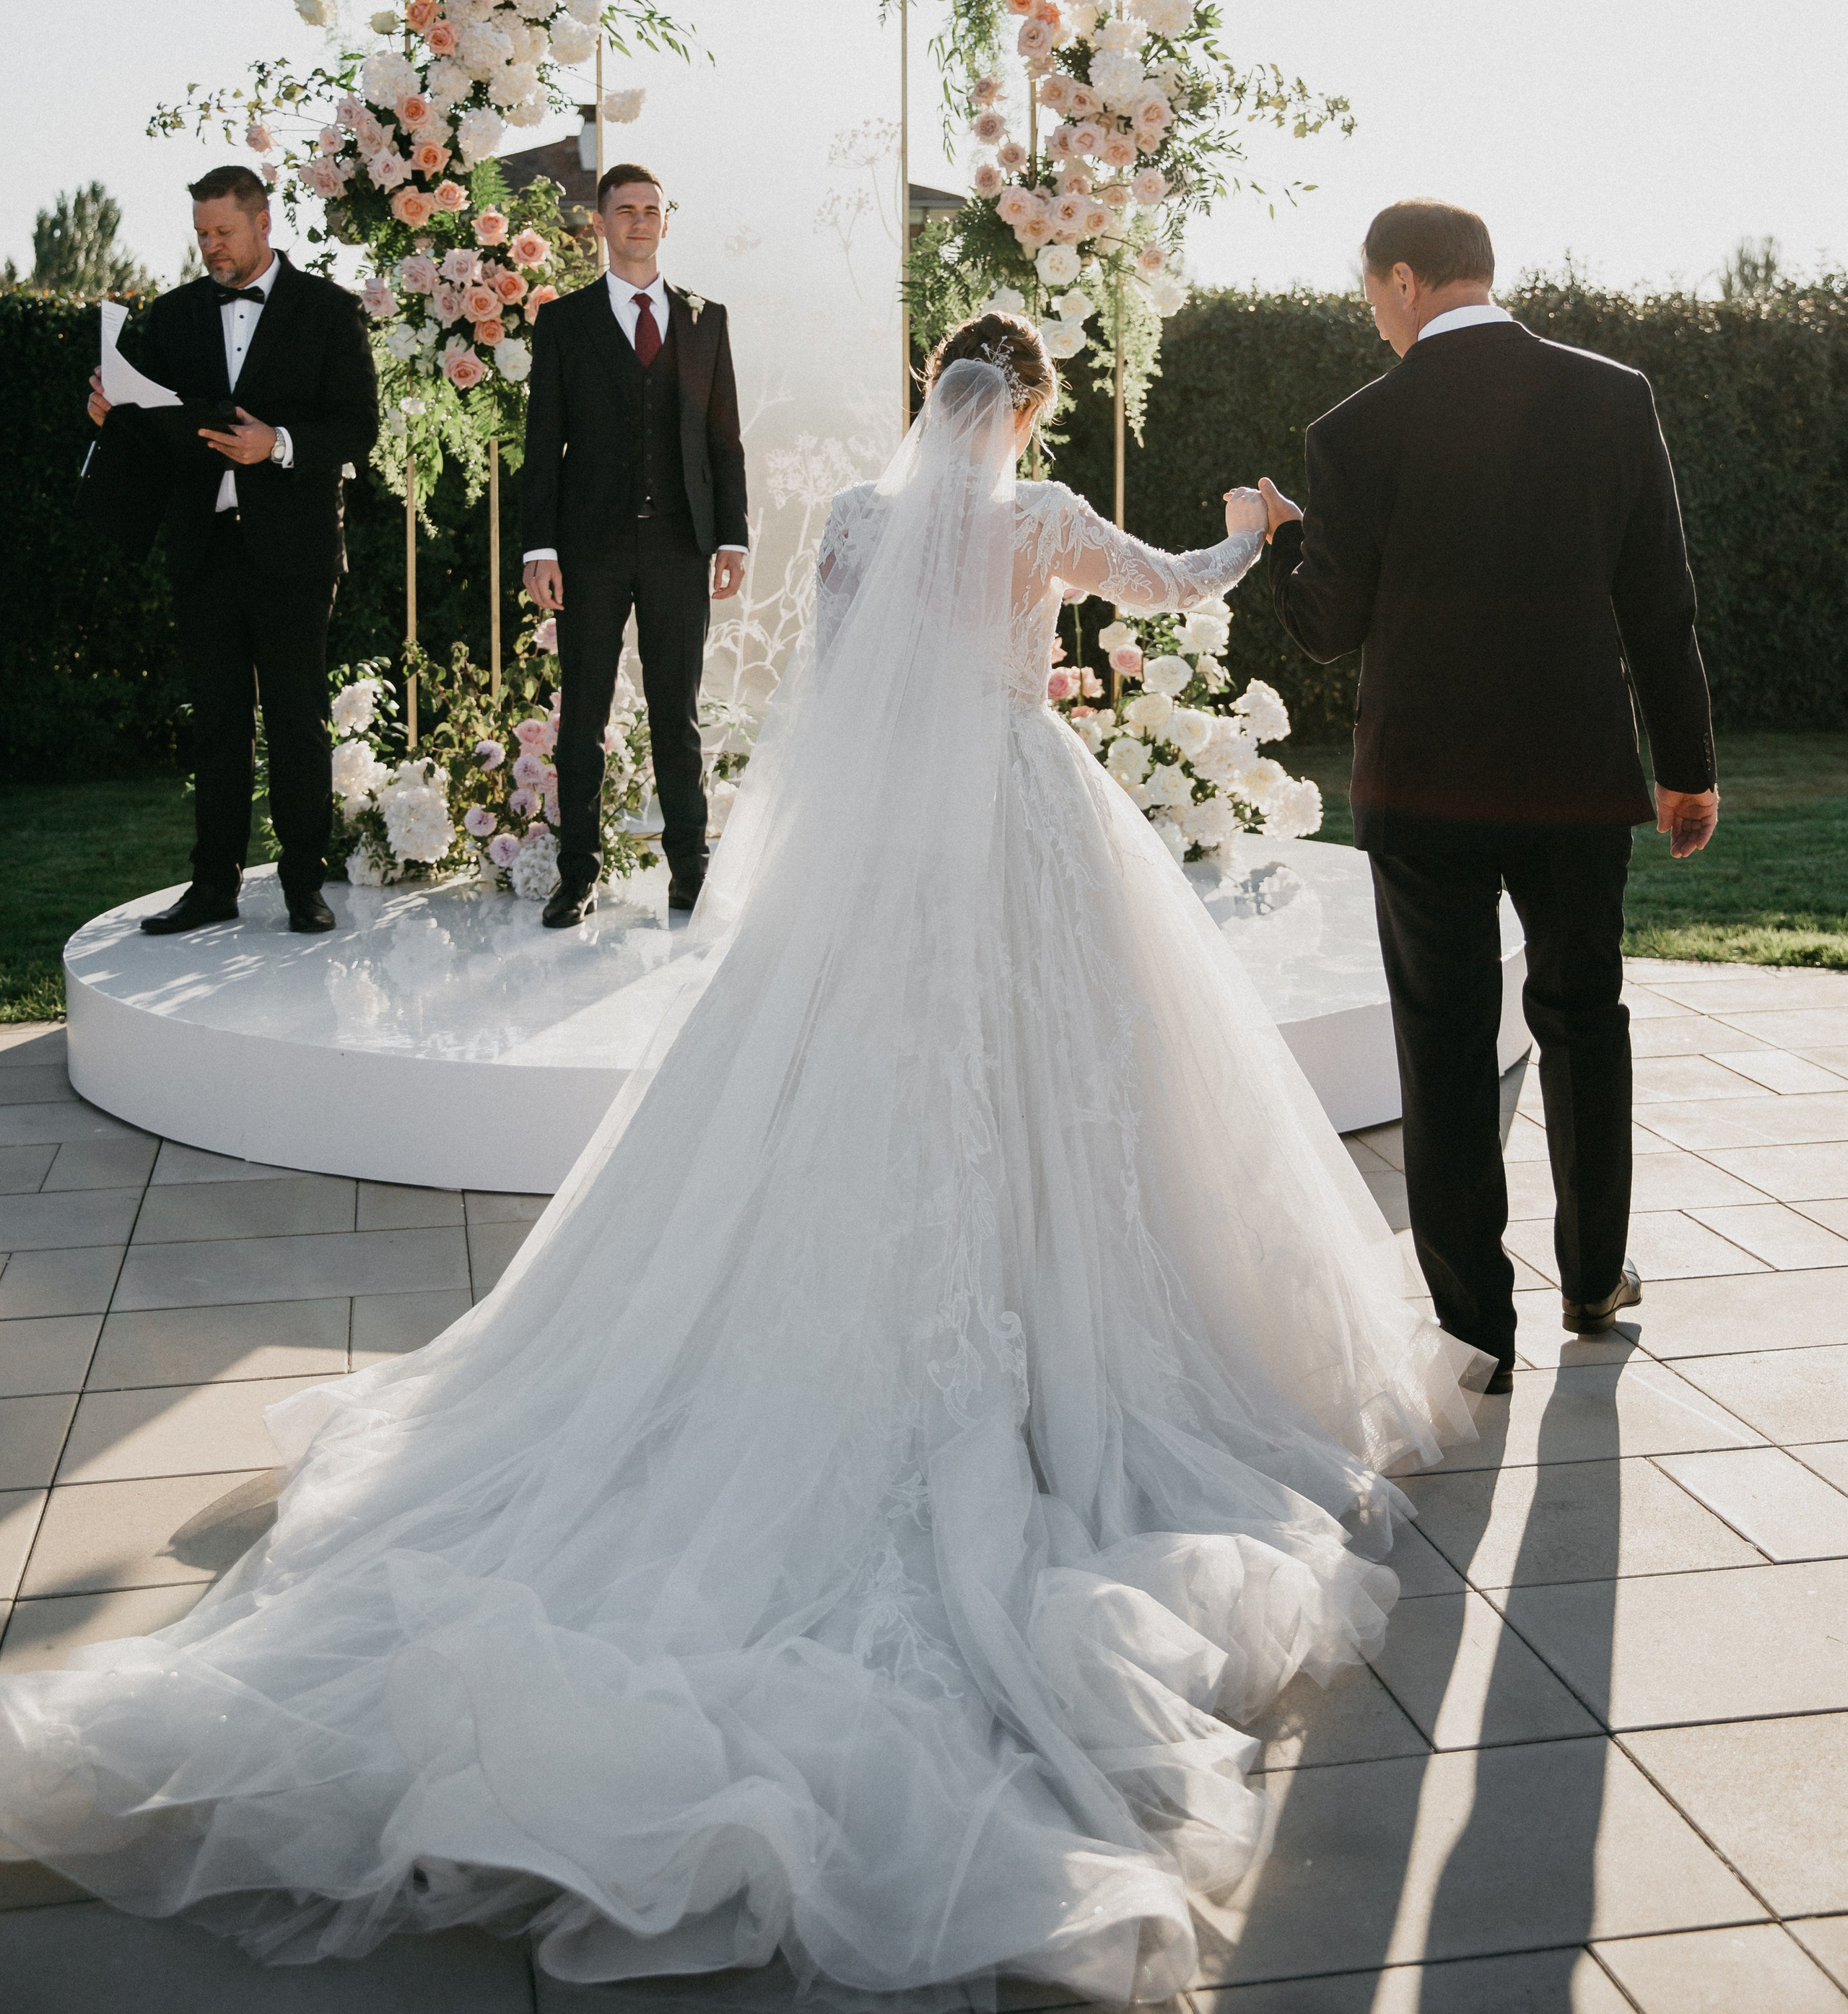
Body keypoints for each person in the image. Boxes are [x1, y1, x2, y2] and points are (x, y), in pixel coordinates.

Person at [0, 315, 1483, 2006]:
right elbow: (1175, 585)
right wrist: (1252, 520)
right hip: (1019, 816)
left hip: (879, 866)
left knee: (838, 1095)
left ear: (929, 399)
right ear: (1026, 412)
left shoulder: (856, 522)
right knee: (1068, 1089)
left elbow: (836, 695)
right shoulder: (1044, 517)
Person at [1260, 198, 1717, 1392]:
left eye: (1371, 295)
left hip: (1423, 788)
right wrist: (1687, 766)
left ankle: (1475, 1330)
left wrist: (1276, 542)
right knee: (1584, 1019)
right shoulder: (1614, 398)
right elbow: (1660, 606)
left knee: (1449, 1051)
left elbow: (1328, 626)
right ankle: (1595, 1276)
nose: (1374, 317)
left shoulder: (1354, 432)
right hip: (1576, 777)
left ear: (1406, 279)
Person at [83, 165, 378, 936]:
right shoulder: (175, 316)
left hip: (295, 552)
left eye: (223, 232)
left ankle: (303, 888)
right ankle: (211, 886)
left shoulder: (328, 311)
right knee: (216, 723)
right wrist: (111, 410)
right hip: (203, 549)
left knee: (296, 721)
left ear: (263, 223)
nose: (212, 247)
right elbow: (152, 427)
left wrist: (275, 444)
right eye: (202, 235)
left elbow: (357, 428)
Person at [520, 161, 748, 927]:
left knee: (674, 712)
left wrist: (733, 538)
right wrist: (537, 548)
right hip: (589, 549)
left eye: (652, 209)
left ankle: (690, 870)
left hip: (682, 544)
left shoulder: (704, 317)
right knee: (581, 713)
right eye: (625, 210)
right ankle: (576, 875)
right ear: (600, 224)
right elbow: (541, 442)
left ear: (665, 220)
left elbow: (725, 440)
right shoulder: (564, 322)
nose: (640, 221)